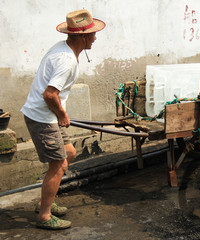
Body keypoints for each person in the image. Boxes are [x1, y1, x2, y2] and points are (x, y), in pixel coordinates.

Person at [21, 9, 105, 230]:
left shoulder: (63, 47)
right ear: (83, 37)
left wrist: (59, 113)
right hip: (42, 117)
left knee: (69, 152)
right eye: (93, 35)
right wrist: (62, 114)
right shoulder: (66, 59)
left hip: (47, 114)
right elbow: (49, 94)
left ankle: (43, 201)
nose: (95, 38)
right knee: (59, 165)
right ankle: (45, 216)